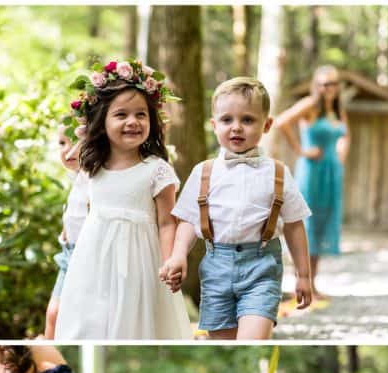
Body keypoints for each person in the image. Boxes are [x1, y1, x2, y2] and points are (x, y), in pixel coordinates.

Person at [160, 77, 313, 340]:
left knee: (251, 340)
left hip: (262, 266)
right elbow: (187, 220)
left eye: (248, 120)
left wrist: (303, 275)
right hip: (216, 266)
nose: (236, 128)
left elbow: (295, 224)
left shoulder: (277, 172)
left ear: (266, 125)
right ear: (214, 125)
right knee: (224, 342)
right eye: (227, 120)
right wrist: (178, 255)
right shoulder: (203, 172)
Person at [54, 59, 191, 340]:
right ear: (102, 122)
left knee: (133, 322)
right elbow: (85, 212)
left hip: (140, 262)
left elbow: (167, 223)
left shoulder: (156, 170)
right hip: (93, 262)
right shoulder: (92, 166)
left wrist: (169, 262)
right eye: (121, 115)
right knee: (88, 323)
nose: (133, 122)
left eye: (141, 114)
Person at [274, 65, 350, 297]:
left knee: (323, 222)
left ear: (338, 86)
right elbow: (281, 121)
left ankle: (312, 283)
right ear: (316, 86)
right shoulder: (310, 105)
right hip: (312, 170)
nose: (328, 88)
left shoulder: (337, 110)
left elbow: (345, 134)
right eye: (324, 84)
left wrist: (341, 156)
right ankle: (301, 281)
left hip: (331, 172)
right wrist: (301, 150)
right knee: (306, 222)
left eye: (333, 83)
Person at [44, 130, 86, 339]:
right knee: (53, 315)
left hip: (85, 256)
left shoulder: (96, 176)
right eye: (62, 143)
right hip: (67, 253)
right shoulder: (76, 177)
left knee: (63, 315)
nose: (68, 151)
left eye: (77, 142)